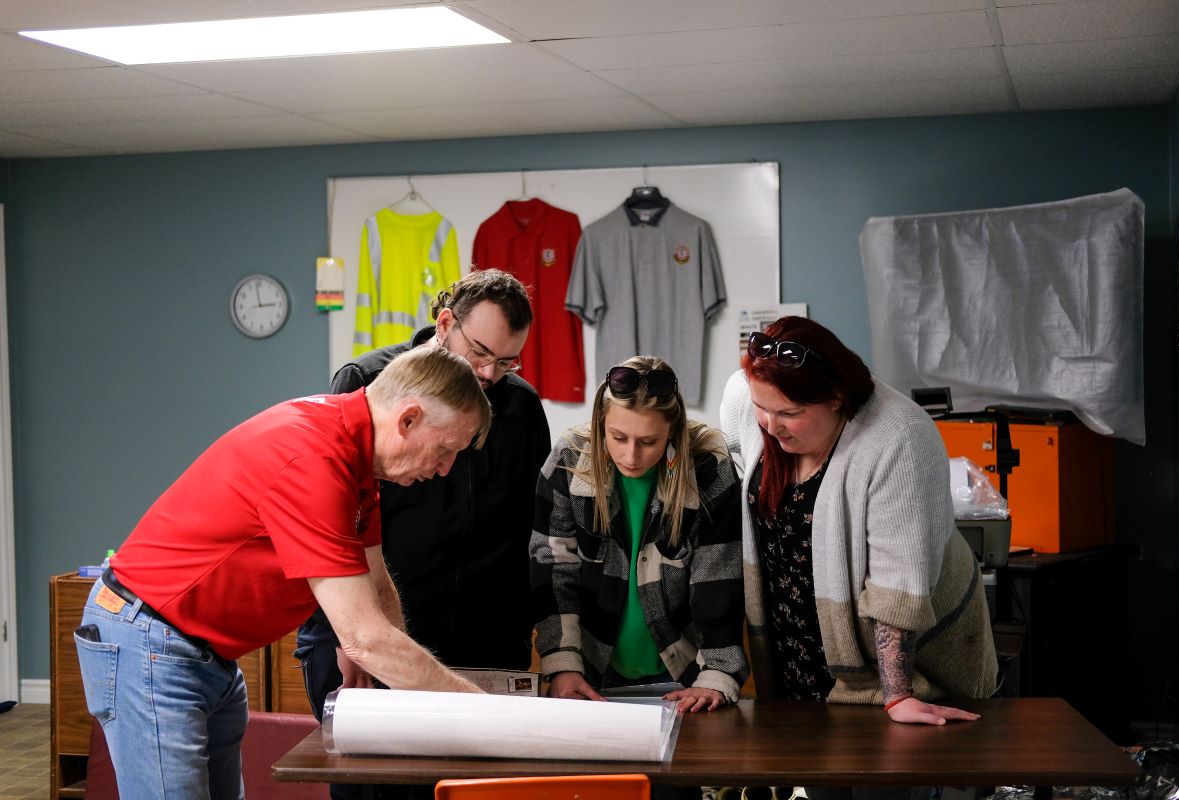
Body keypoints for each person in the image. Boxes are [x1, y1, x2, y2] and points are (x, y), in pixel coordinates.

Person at [74, 345, 491, 800]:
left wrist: (387, 673)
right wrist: (478, 711)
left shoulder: (356, 460)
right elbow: (365, 638)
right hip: (152, 641)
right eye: (447, 449)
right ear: (407, 420)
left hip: (205, 653)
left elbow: (376, 584)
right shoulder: (314, 457)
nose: (447, 468)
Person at [295, 269, 550, 800]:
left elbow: (527, 531)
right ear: (445, 322)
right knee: (374, 791)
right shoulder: (367, 382)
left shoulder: (522, 407)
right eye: (480, 352)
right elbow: (334, 526)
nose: (489, 372)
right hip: (370, 631)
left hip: (483, 639)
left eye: (506, 361)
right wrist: (350, 638)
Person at [719, 316, 997, 725]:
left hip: (909, 675)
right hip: (799, 653)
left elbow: (897, 589)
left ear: (835, 398)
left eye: (790, 413)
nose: (770, 426)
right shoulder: (746, 399)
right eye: (762, 408)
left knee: (892, 783)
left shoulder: (899, 437)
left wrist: (897, 696)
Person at [530, 356, 748, 713]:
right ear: (601, 425)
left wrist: (717, 675)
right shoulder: (568, 459)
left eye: (649, 441)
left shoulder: (709, 466)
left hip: (685, 675)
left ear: (673, 432)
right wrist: (563, 663)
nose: (631, 456)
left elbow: (719, 577)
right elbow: (554, 569)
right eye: (618, 438)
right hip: (591, 671)